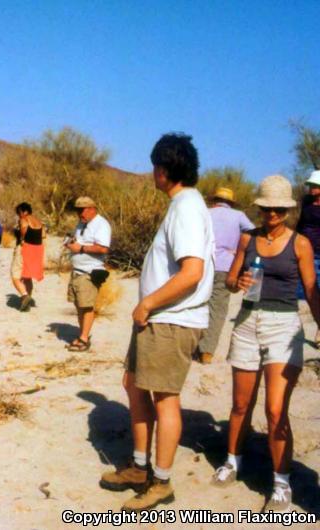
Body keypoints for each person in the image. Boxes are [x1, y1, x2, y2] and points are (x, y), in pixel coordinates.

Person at [99, 133, 214, 511]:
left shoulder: (186, 209)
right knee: (134, 385)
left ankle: (160, 481)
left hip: (171, 319)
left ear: (163, 170)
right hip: (158, 319)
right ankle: (138, 465)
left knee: (165, 400)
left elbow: (192, 272)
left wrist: (148, 303)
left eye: (154, 167)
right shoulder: (184, 206)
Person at [211, 174, 320, 512]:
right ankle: (233, 459)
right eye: (265, 209)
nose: (271, 215)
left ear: (287, 210)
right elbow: (229, 280)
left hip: (284, 325)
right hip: (247, 321)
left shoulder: (300, 243)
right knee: (240, 404)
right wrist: (236, 281)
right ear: (258, 209)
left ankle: (282, 481)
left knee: (275, 410)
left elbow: (313, 291)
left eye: (277, 210)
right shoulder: (247, 240)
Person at [197, 187, 254, 364]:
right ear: (231, 203)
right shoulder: (238, 216)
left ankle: (190, 344)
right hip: (225, 267)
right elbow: (253, 233)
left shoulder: (204, 213)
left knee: (197, 303)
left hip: (201, 264)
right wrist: (237, 250)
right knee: (217, 309)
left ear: (214, 200)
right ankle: (206, 352)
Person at [64, 197, 111, 350]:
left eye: (82, 210)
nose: (79, 213)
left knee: (86, 306)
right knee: (78, 304)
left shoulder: (101, 224)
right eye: (77, 210)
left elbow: (103, 248)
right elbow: (78, 240)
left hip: (89, 272)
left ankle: (84, 339)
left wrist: (81, 249)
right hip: (77, 271)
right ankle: (82, 334)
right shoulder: (82, 224)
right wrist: (70, 243)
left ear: (92, 208)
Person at [295, 169, 320, 343]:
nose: (311, 188)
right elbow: (301, 222)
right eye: (310, 185)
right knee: (304, 290)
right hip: (306, 250)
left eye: (314, 185)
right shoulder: (306, 202)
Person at [11, 202, 46, 311]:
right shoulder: (39, 221)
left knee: (15, 275)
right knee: (27, 276)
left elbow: (23, 234)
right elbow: (43, 236)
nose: (19, 215)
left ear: (23, 211)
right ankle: (27, 301)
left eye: (19, 213)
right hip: (36, 250)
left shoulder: (24, 220)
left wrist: (19, 234)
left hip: (24, 248)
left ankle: (25, 295)